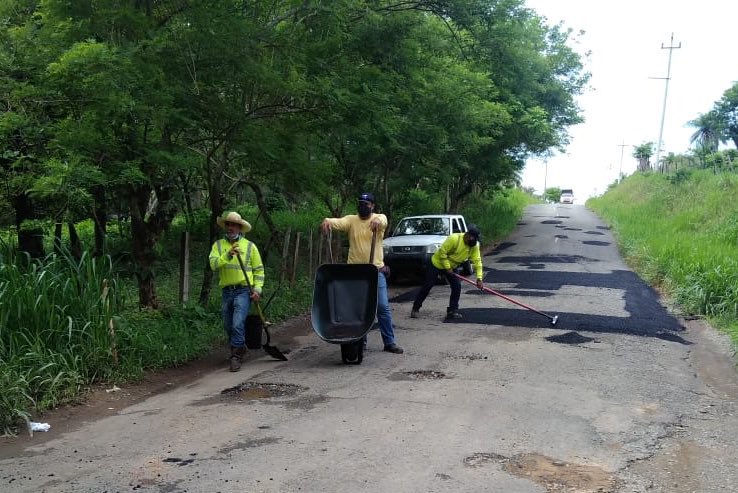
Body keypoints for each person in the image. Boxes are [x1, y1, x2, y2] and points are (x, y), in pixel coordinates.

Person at [321, 192, 404, 354]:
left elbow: (383, 220)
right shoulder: (352, 220)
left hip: (375, 270)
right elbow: (339, 222)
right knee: (357, 308)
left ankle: (389, 342)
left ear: (372, 206)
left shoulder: (379, 218)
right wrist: (327, 221)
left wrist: (377, 222)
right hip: (355, 273)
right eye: (360, 203)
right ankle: (360, 341)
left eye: (366, 204)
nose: (362, 206)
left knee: (382, 306)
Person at [209, 211, 265, 371]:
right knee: (228, 324)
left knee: (237, 323)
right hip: (227, 291)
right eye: (228, 224)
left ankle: (236, 355)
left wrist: (257, 290)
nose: (230, 228)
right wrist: (227, 255)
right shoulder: (218, 245)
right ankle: (240, 346)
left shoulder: (250, 246)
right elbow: (213, 265)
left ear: (240, 228)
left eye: (234, 225)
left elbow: (259, 270)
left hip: (243, 291)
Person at [410, 224, 485, 320]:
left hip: (452, 267)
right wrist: (447, 267)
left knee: (456, 286)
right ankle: (415, 308)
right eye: (473, 239)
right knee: (428, 285)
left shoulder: (474, 246)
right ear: (468, 236)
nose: (474, 242)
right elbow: (442, 252)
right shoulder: (454, 239)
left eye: (476, 240)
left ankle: (452, 311)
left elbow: (478, 262)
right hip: (436, 263)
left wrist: (479, 278)